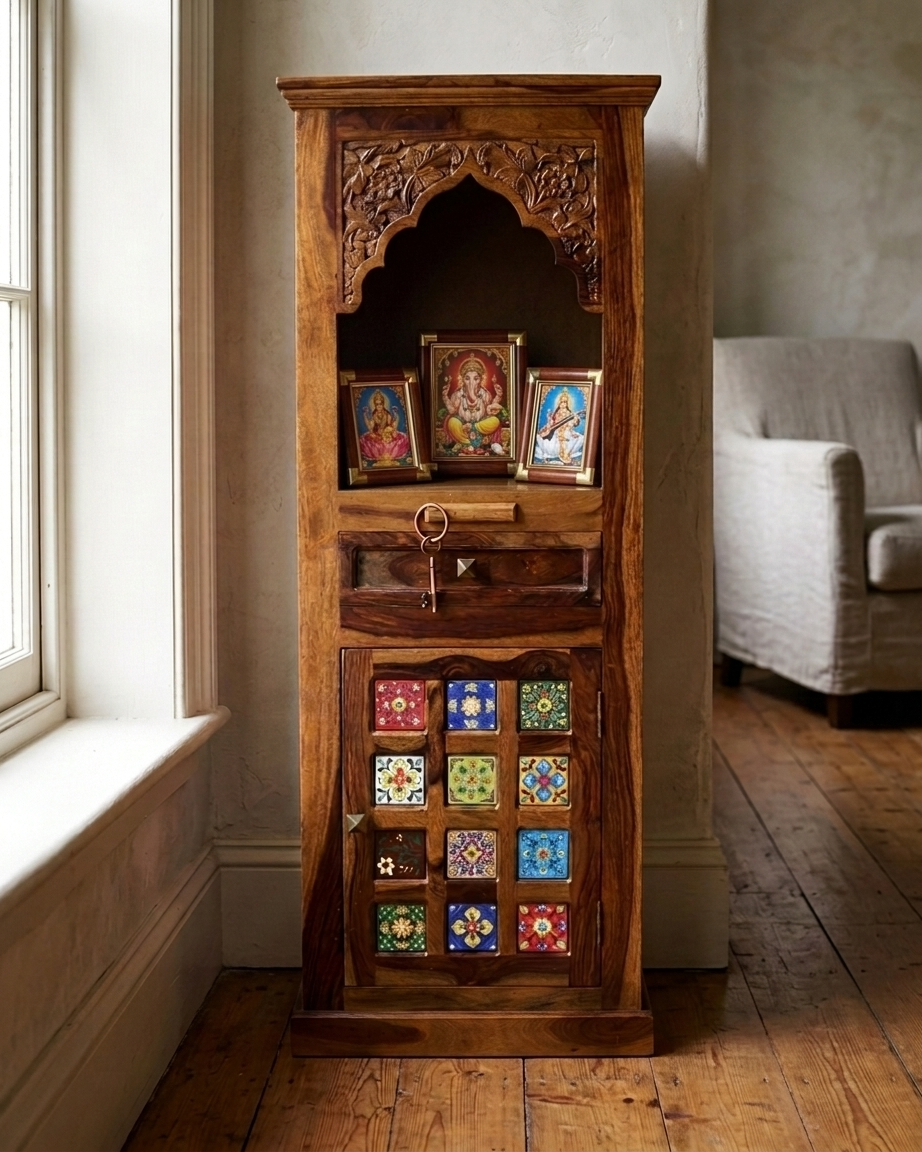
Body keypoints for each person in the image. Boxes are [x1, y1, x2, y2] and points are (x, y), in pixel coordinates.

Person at [441, 354, 506, 455]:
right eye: (467, 378)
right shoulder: (458, 394)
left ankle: (470, 440)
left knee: (495, 420)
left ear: (481, 380)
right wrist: (445, 397)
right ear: (462, 379)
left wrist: (499, 395)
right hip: (463, 428)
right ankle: (467, 443)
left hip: (479, 427)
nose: (471, 382)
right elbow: (452, 411)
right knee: (452, 422)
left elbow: (490, 410)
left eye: (476, 379)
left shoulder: (485, 393)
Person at [358, 389, 411, 464]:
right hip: (377, 434)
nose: (379, 406)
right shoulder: (374, 415)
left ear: (383, 405)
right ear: (374, 406)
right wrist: (365, 415)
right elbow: (370, 426)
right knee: (369, 442)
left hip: (387, 433)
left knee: (395, 441)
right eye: (377, 404)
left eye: (380, 404)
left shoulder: (387, 415)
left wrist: (395, 417)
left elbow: (391, 425)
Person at [534, 387, 584, 466]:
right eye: (562, 402)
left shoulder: (569, 413)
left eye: (565, 402)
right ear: (559, 403)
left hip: (565, 430)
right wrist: (549, 419)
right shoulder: (556, 412)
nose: (563, 404)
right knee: (543, 437)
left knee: (575, 437)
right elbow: (552, 423)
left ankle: (564, 454)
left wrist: (573, 422)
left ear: (567, 403)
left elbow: (571, 424)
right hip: (555, 430)